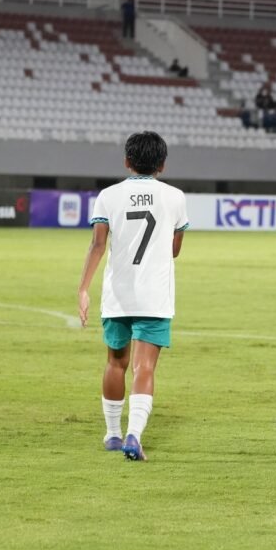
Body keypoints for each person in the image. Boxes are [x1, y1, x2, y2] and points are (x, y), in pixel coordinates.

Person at [77, 132, 189, 461]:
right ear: (162, 164)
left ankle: (112, 433)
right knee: (144, 368)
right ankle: (133, 436)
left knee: (115, 362)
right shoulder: (175, 197)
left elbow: (98, 244)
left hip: (118, 295)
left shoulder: (108, 196)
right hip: (154, 295)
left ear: (127, 162)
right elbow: (175, 249)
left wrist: (83, 288)